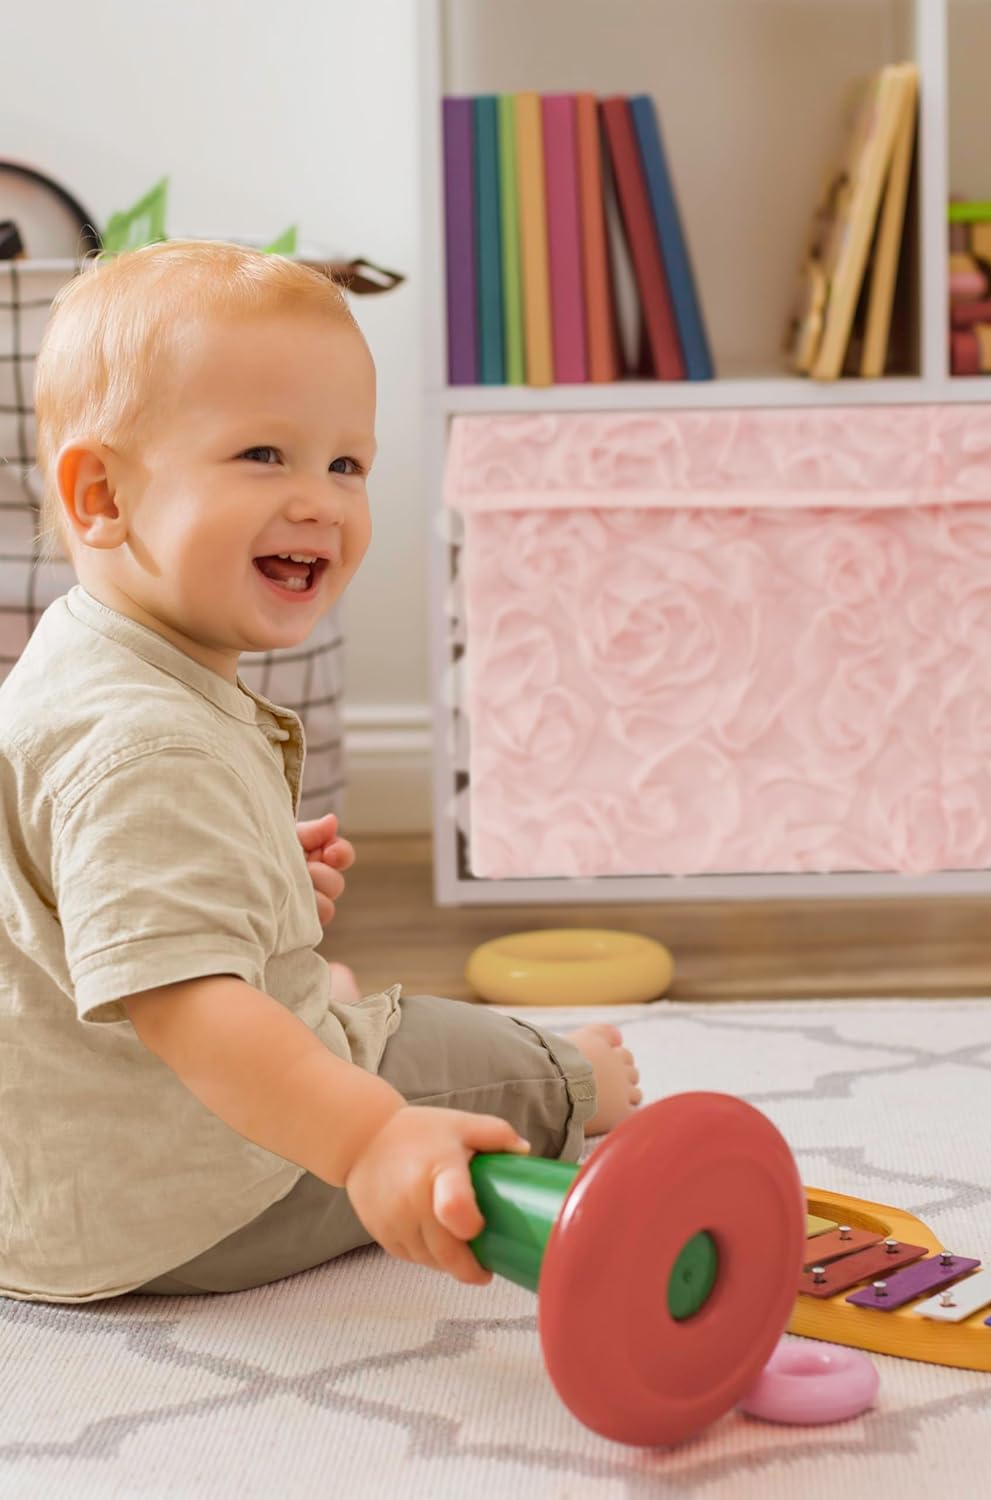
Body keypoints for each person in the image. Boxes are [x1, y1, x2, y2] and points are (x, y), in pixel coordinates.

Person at [0, 240, 641, 1303]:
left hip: (50, 1180)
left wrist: (250, 884)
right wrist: (372, 1140)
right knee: (445, 1050)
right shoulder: (144, 745)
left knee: (309, 1003)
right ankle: (569, 1082)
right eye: (264, 455)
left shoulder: (73, 665)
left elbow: (69, 913)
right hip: (176, 1203)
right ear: (102, 495)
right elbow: (188, 1009)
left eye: (346, 464)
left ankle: (295, 1023)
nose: (321, 502)